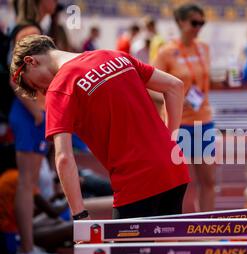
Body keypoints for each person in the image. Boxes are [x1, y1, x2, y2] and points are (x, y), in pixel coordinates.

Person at [10, 34, 190, 222]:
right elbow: (174, 86)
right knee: (167, 250)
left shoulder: (59, 87)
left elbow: (63, 158)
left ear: (31, 61)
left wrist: (80, 215)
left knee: (126, 252)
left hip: (137, 181)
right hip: (174, 170)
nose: (41, 91)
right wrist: (170, 141)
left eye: (33, 84)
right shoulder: (114, 55)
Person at [8, 22, 62, 254]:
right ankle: (26, 250)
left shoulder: (34, 29)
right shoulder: (28, 33)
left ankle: (28, 246)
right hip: (30, 115)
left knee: (31, 184)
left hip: (34, 113)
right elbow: (15, 75)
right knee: (27, 183)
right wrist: (36, 112)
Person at [153, 3, 216, 212]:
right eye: (194, 22)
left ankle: (207, 229)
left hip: (203, 121)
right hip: (177, 124)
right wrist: (175, 98)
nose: (198, 27)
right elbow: (148, 89)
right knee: (176, 184)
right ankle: (175, 230)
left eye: (202, 23)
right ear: (180, 22)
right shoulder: (166, 53)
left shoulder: (204, 48)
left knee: (208, 181)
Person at [0, 143, 69, 254]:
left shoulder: (9, 176)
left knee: (55, 221)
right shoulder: (18, 178)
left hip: (11, 235)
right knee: (73, 226)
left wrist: (56, 198)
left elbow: (34, 211)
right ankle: (28, 250)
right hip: (12, 240)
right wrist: (72, 194)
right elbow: (53, 211)